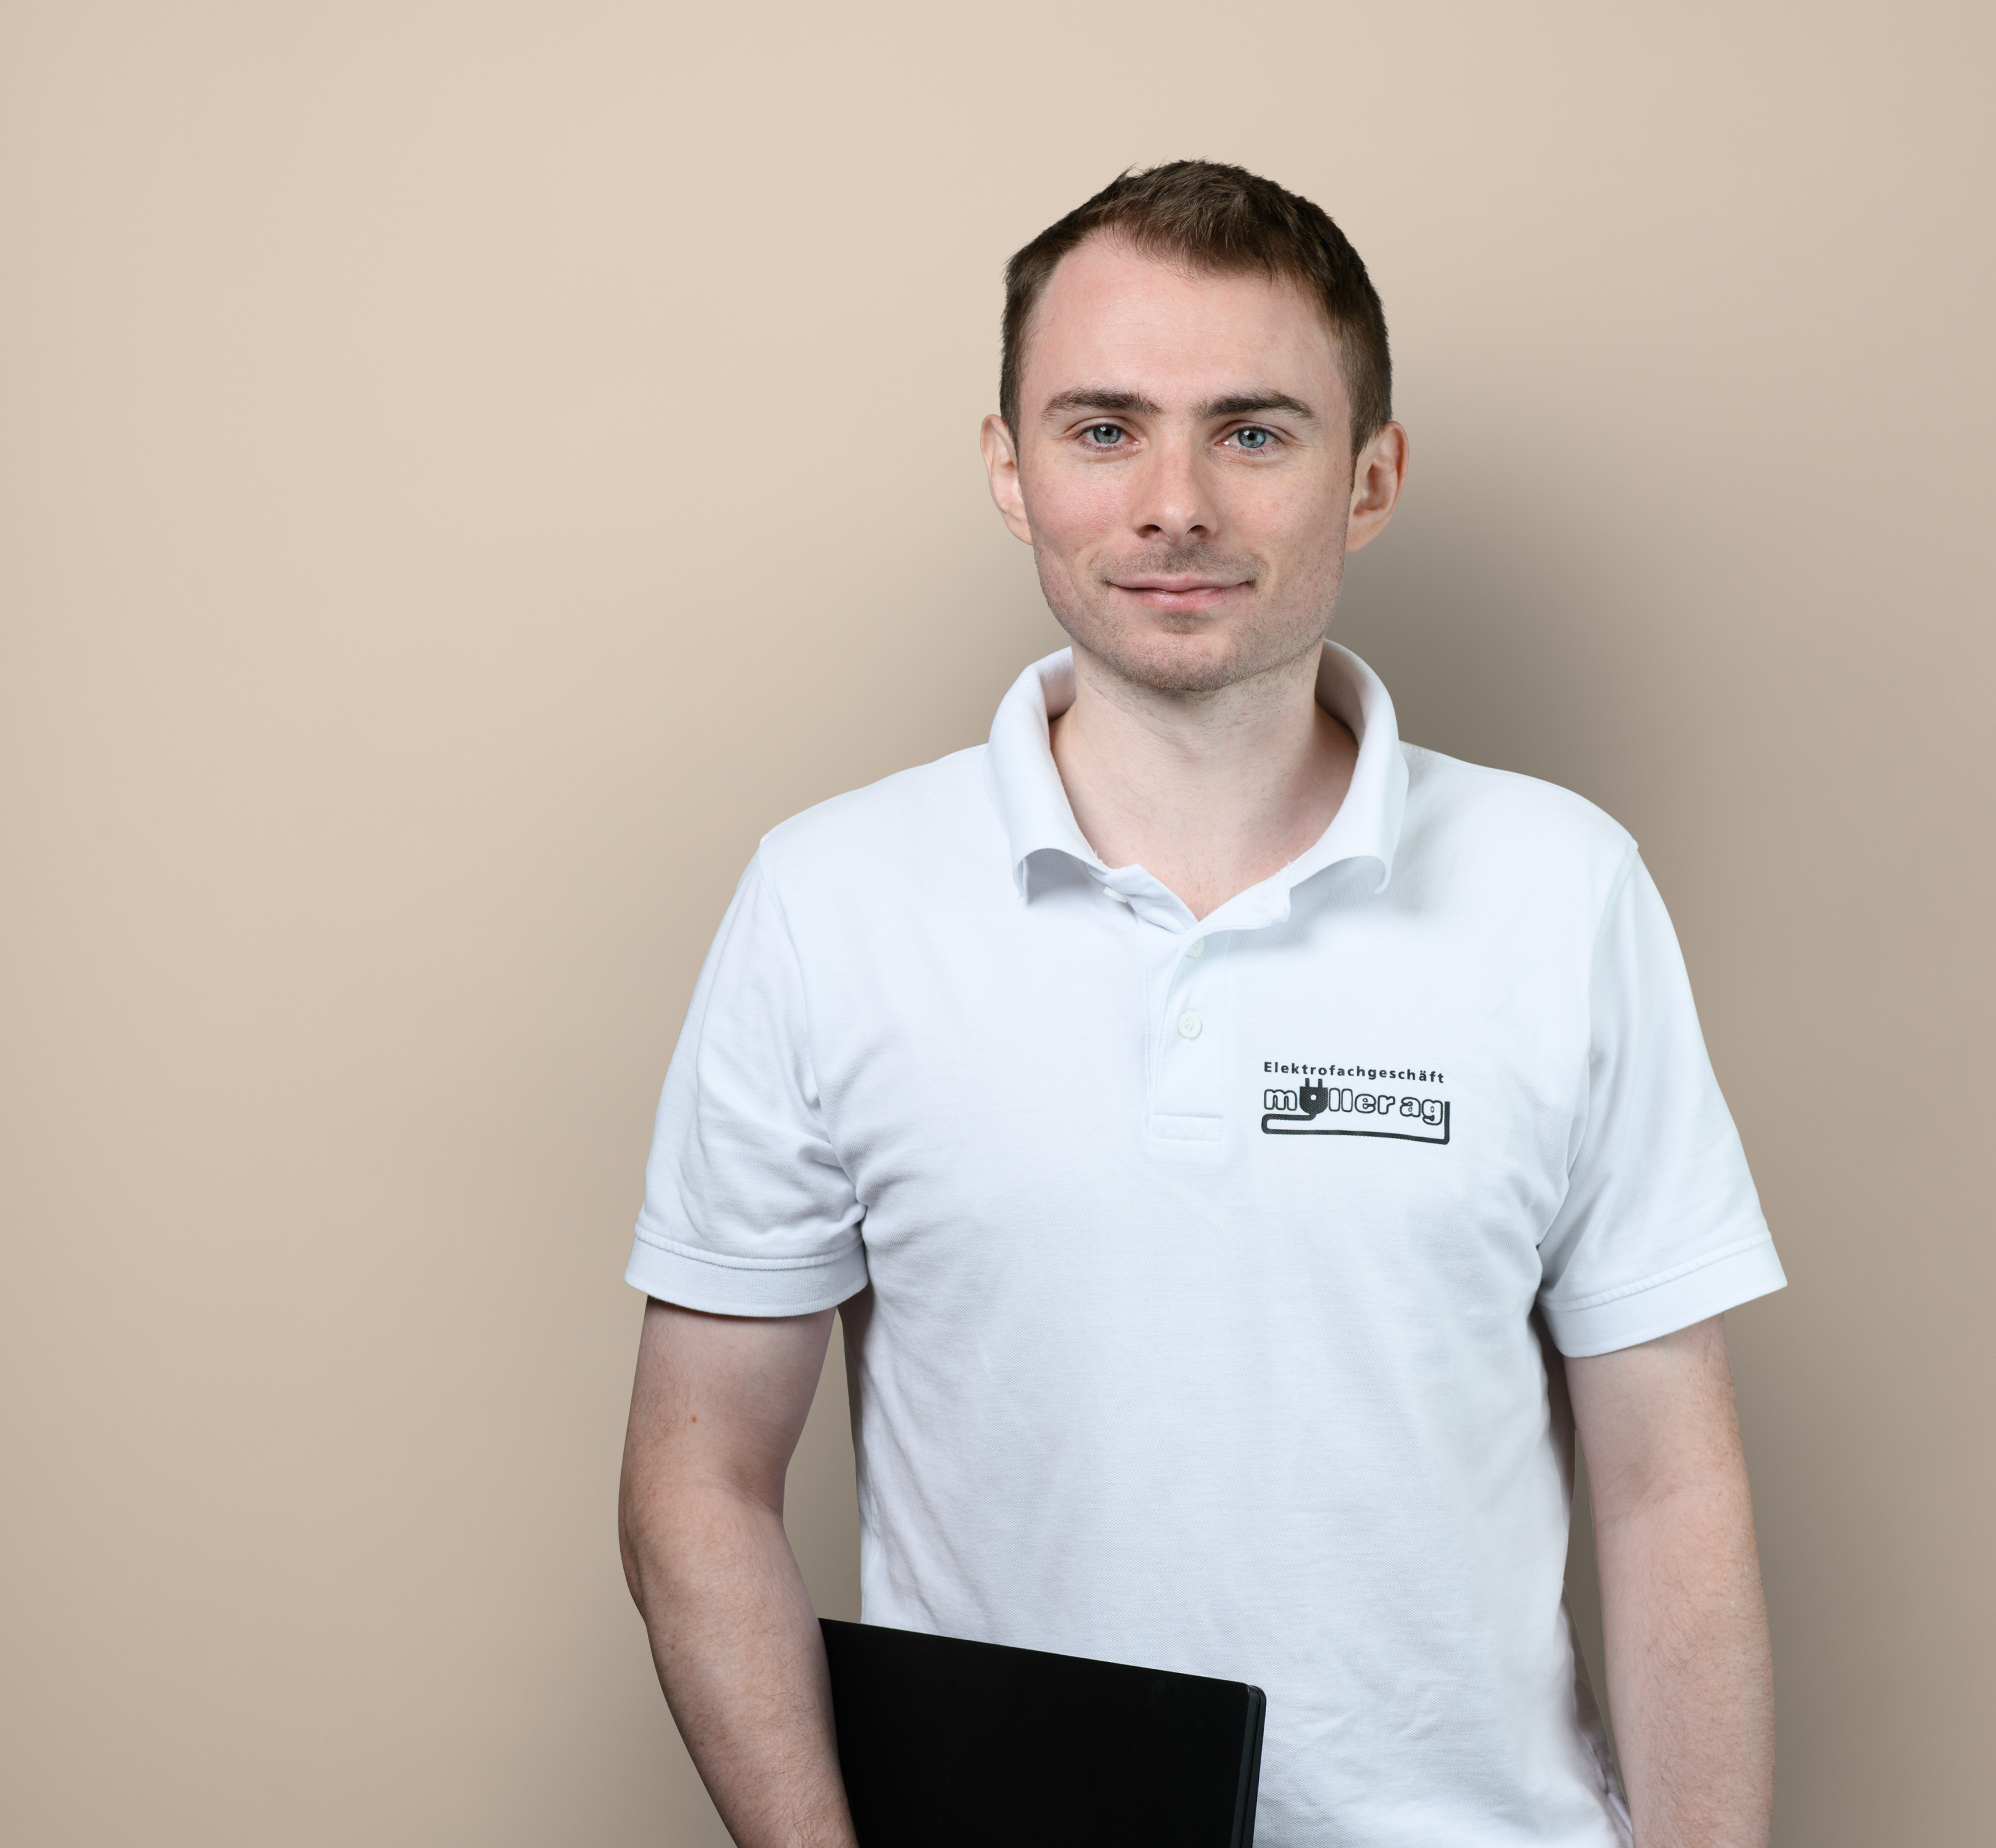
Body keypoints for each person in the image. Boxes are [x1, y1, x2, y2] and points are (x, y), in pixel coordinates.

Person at [616, 161, 1785, 1848]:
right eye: (1104, 430)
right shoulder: (829, 900)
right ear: (1010, 471)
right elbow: (696, 1482)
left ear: (1369, 480)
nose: (1175, 504)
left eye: (1253, 431)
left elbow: (1671, 1490)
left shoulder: (1564, 887)